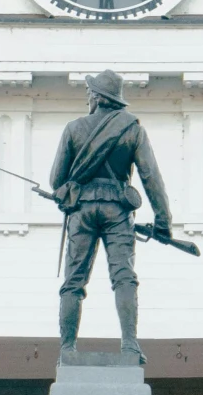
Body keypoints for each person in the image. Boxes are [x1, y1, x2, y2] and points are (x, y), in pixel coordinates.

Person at [51, 69, 173, 360]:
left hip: (81, 211)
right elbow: (151, 177)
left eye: (89, 93)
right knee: (124, 277)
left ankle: (67, 349)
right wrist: (163, 220)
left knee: (74, 281)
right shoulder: (132, 129)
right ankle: (130, 344)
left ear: (96, 97)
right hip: (118, 211)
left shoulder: (73, 128)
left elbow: (57, 179)